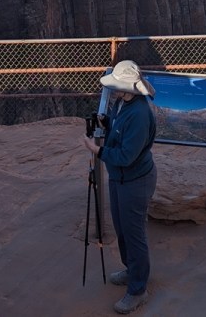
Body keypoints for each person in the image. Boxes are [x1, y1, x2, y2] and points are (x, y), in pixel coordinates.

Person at [82, 60, 157, 315]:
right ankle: (131, 270)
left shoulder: (140, 114)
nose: (111, 90)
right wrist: (105, 123)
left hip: (135, 180)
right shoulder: (122, 103)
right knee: (122, 228)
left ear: (127, 88)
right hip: (120, 178)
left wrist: (97, 150)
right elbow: (117, 128)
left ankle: (138, 289)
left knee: (134, 234)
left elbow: (126, 155)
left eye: (115, 86)